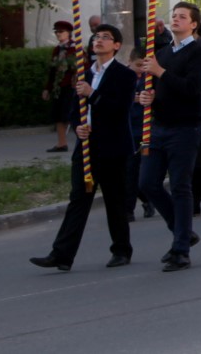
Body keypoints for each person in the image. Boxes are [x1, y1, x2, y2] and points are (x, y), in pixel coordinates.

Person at [31, 24, 135, 272]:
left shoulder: (125, 75)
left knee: (114, 200)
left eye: (105, 38)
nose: (98, 41)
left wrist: (93, 94)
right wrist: (78, 127)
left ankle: (121, 250)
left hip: (112, 148)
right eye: (96, 37)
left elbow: (119, 110)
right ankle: (62, 254)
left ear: (116, 45)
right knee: (78, 199)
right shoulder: (84, 74)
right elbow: (75, 111)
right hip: (87, 148)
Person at [134, 2, 201, 272]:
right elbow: (158, 87)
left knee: (180, 185)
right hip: (159, 125)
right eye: (174, 16)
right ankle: (183, 231)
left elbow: (192, 88)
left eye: (182, 17)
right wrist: (147, 97)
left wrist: (161, 73)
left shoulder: (200, 50)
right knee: (147, 182)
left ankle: (181, 250)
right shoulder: (163, 53)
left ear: (193, 24)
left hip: (185, 127)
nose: (176, 20)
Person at [43, 21, 78, 153]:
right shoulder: (57, 50)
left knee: (71, 115)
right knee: (58, 116)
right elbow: (52, 71)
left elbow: (83, 67)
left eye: (61, 32)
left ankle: (84, 142)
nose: (58, 34)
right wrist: (48, 88)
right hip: (59, 87)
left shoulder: (75, 48)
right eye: (56, 32)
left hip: (71, 87)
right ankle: (61, 143)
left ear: (68, 33)